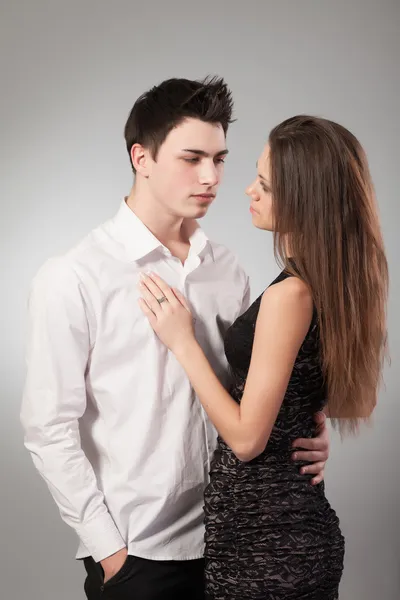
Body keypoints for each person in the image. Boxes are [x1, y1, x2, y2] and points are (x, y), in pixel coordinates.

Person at [20, 79, 330, 600]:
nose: (211, 177)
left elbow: (249, 395)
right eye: (192, 158)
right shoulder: (74, 275)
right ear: (142, 157)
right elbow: (47, 428)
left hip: (237, 541)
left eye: (220, 159)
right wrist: (108, 550)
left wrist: (307, 436)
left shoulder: (227, 270)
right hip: (140, 555)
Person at [138, 115, 389, 599]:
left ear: (304, 199)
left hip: (268, 545)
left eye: (266, 185)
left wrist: (183, 341)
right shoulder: (338, 284)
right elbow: (353, 402)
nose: (249, 190)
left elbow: (247, 440)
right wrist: (307, 421)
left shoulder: (290, 295)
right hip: (280, 534)